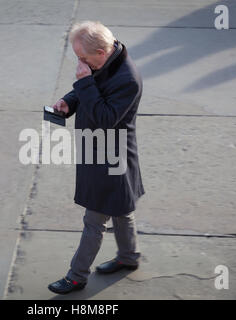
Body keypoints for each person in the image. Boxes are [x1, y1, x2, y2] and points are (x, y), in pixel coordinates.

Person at [48, 21, 145, 295]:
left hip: (111, 157)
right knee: (122, 210)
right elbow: (93, 88)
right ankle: (129, 257)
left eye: (83, 58)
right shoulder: (107, 61)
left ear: (101, 53)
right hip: (101, 151)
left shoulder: (127, 79)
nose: (80, 63)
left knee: (95, 219)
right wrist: (70, 101)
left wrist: (83, 82)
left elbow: (104, 118)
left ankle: (76, 276)